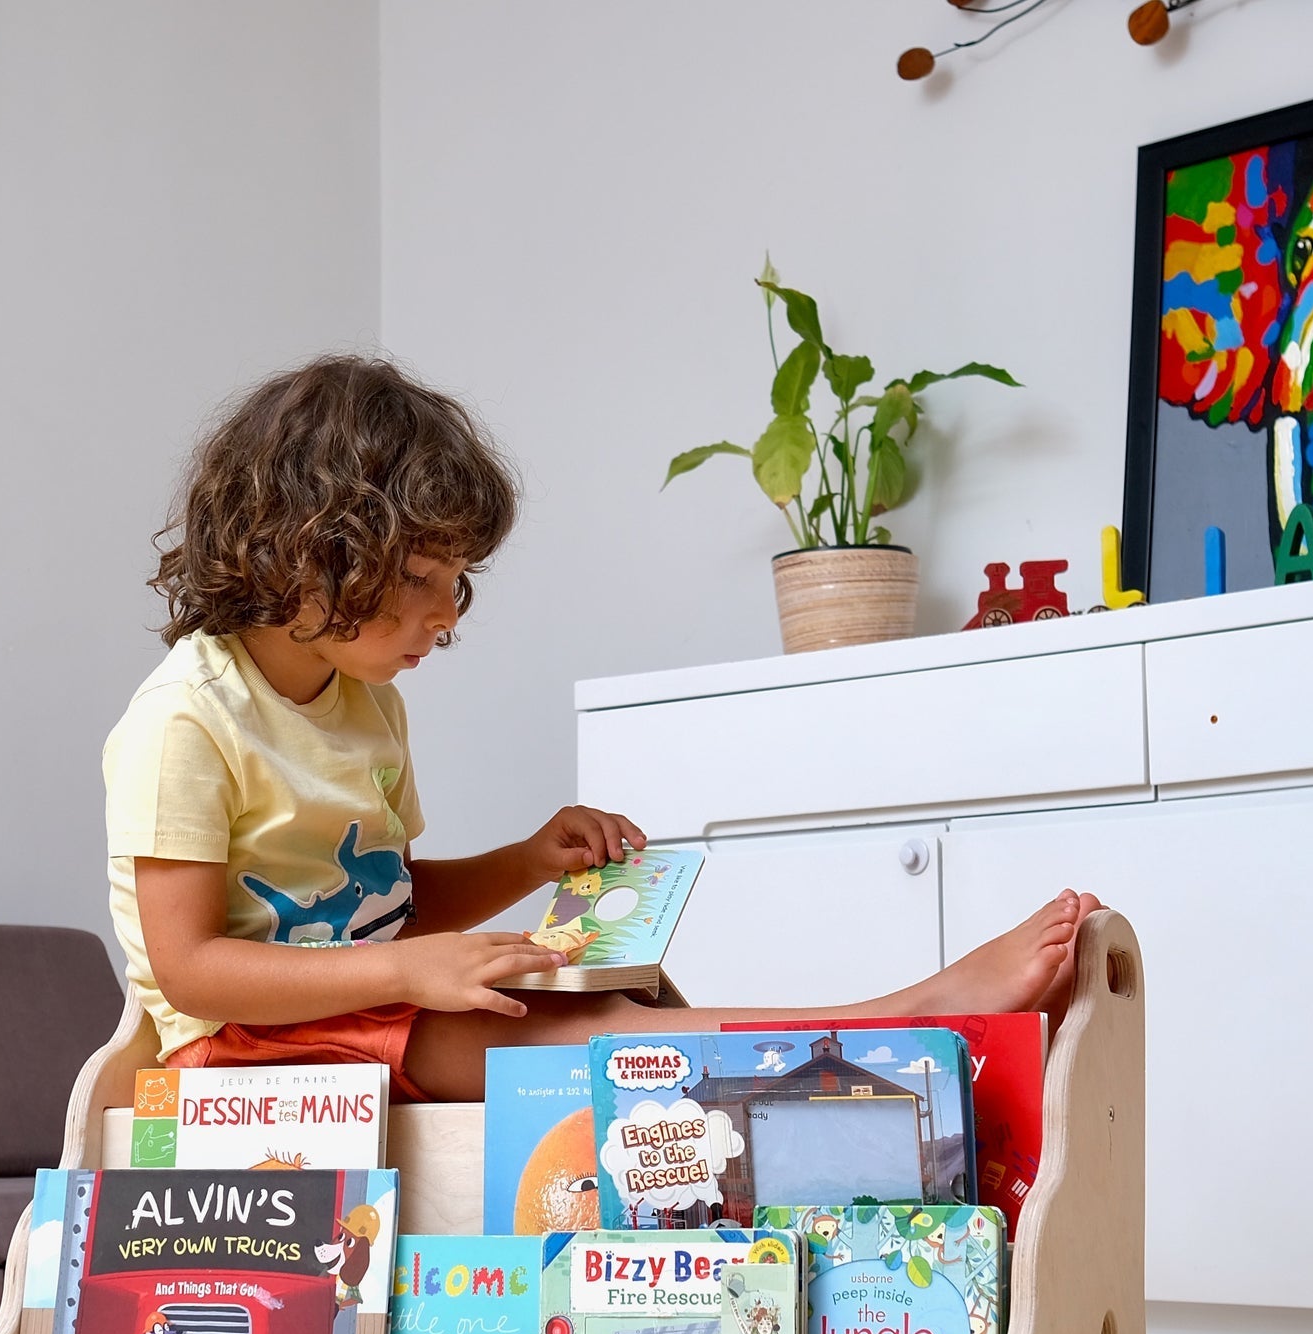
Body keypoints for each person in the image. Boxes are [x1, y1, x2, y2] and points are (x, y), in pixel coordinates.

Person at [104, 356, 1099, 1105]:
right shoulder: (188, 719)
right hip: (242, 1046)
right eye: (417, 580)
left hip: (364, 1006)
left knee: (636, 1001)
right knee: (600, 1038)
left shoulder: (366, 703)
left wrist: (528, 860)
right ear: (303, 553)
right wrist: (408, 971)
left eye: (455, 582)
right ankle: (900, 1020)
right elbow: (190, 966)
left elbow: (385, 900)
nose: (445, 615)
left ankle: (858, 1072)